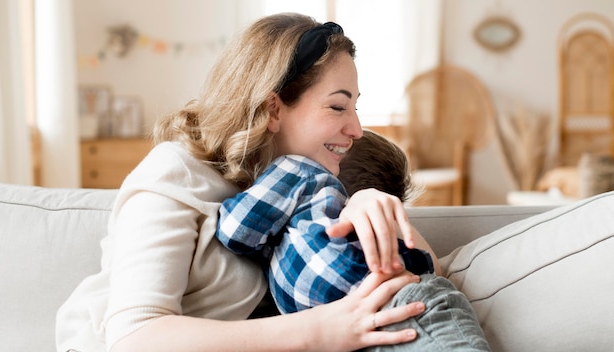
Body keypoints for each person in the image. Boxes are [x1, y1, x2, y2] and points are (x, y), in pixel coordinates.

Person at [56, 13, 427, 352]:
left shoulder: (297, 188)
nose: (356, 129)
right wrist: (319, 330)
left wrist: (364, 200)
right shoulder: (175, 171)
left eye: (355, 107)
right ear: (274, 108)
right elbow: (133, 338)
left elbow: (431, 275)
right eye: (337, 106)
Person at [217, 129, 491, 351]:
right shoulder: (296, 214)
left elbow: (234, 230)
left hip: (409, 303)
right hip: (360, 332)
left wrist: (365, 202)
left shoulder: (301, 172)